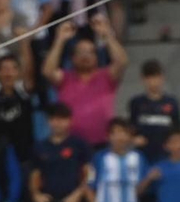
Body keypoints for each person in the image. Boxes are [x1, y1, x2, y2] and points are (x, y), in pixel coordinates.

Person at [41, 14, 126, 150]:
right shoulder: (66, 78)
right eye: (80, 52)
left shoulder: (106, 76)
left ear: (96, 57)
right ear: (73, 58)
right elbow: (48, 71)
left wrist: (107, 35)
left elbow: (122, 62)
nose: (85, 56)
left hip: (103, 144)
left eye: (90, 52)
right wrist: (60, 40)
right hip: (72, 145)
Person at [28, 102, 93, 202]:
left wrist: (78, 194)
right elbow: (35, 174)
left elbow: (89, 173)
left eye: (62, 119)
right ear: (48, 121)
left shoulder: (79, 144)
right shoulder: (40, 146)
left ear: (70, 121)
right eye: (54, 119)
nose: (58, 123)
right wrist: (36, 194)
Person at [91, 117, 145, 202]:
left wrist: (150, 178)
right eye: (116, 133)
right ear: (109, 136)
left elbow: (141, 188)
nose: (120, 137)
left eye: (124, 133)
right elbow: (88, 186)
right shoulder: (99, 158)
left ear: (130, 136)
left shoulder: (138, 158)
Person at [0, 53, 37, 169]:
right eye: (4, 69)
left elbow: (29, 70)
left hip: (24, 155)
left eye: (12, 68)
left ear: (18, 72)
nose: (8, 72)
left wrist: (24, 42)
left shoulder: (23, 92)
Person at [128, 58, 180, 166]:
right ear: (143, 79)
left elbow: (178, 129)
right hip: (143, 155)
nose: (153, 81)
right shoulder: (136, 103)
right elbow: (131, 127)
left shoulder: (171, 103)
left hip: (166, 154)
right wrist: (134, 139)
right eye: (149, 78)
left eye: (156, 77)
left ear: (162, 78)